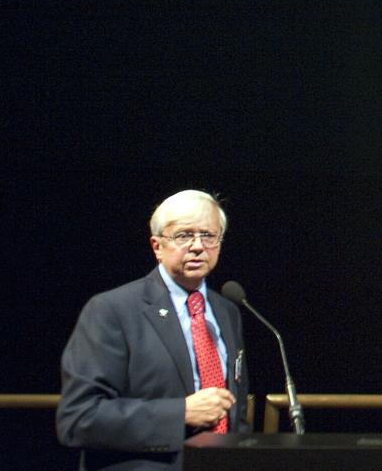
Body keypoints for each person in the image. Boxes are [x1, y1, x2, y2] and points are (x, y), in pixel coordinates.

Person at [57, 190, 249, 470]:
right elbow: (79, 419)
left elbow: (235, 412)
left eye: (209, 235)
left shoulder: (227, 310)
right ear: (157, 246)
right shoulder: (112, 310)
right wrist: (180, 413)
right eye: (184, 235)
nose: (198, 246)